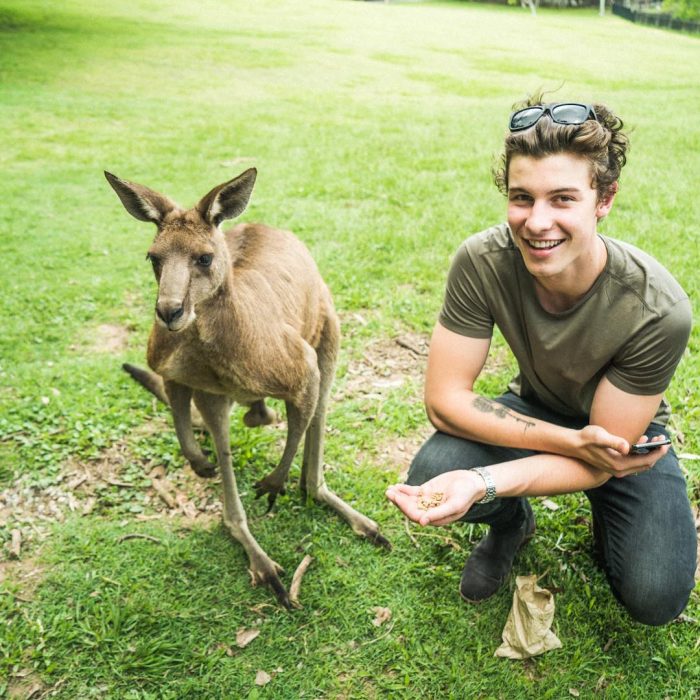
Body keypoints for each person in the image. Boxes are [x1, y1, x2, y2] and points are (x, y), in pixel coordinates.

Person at [385, 98, 696, 626]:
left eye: (563, 199)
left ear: (605, 199)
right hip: (540, 417)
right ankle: (512, 524)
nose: (536, 222)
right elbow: (444, 401)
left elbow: (606, 455)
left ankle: (612, 520)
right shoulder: (481, 261)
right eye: (521, 198)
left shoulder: (656, 307)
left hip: (625, 444)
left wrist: (576, 456)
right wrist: (554, 450)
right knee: (436, 471)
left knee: (654, 597)